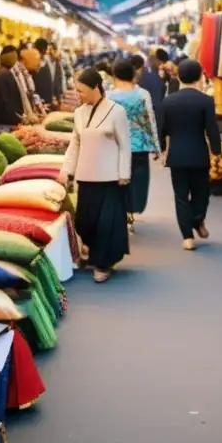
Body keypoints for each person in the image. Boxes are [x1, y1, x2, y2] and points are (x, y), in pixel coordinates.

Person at [59, 67, 131, 283]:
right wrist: (66, 171)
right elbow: (75, 144)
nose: (78, 95)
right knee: (85, 222)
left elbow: (124, 146)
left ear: (95, 88)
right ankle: (93, 252)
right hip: (85, 177)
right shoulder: (79, 113)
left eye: (81, 91)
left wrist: (124, 173)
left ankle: (102, 264)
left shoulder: (117, 111)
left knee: (105, 224)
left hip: (110, 179)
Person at [157, 59, 221, 251]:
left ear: (178, 76)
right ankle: (197, 219)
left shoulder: (168, 101)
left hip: (176, 155)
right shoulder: (206, 101)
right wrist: (217, 152)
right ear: (200, 76)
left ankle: (187, 237)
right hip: (199, 153)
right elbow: (212, 130)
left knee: (181, 196)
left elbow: (162, 129)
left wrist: (161, 150)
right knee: (203, 192)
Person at [107, 57, 159, 228]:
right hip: (139, 145)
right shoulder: (142, 94)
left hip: (115, 144)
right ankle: (132, 209)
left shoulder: (108, 95)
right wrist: (157, 147)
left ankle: (122, 211)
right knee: (138, 180)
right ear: (133, 74)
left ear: (114, 74)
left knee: (117, 179)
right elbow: (149, 120)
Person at [0, 46, 25, 132]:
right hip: (4, 123)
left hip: (0, 121)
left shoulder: (1, 72)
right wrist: (17, 118)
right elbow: (8, 102)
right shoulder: (5, 74)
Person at [33, 37, 55, 106]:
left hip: (47, 99)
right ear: (43, 50)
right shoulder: (34, 62)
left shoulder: (46, 60)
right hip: (40, 101)